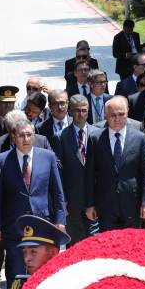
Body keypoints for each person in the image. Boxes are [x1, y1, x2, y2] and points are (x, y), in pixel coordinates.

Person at [0, 118, 66, 287]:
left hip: (42, 225)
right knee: (15, 272)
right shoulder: (2, 161)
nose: (26, 139)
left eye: (29, 135)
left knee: (43, 274)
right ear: (13, 137)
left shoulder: (48, 157)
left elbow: (57, 192)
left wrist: (60, 221)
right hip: (14, 227)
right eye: (21, 135)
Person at [85, 96, 145, 231]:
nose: (117, 119)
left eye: (121, 114)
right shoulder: (95, 138)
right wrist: (90, 204)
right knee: (108, 247)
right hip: (105, 204)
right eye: (112, 115)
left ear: (127, 114)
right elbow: (90, 174)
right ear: (105, 115)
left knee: (132, 246)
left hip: (132, 203)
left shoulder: (140, 138)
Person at [57, 95, 99, 245]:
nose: (80, 114)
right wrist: (63, 202)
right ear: (70, 111)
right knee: (74, 244)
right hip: (73, 202)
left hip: (96, 198)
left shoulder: (99, 133)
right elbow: (59, 172)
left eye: (84, 111)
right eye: (77, 111)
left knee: (95, 243)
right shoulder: (61, 137)